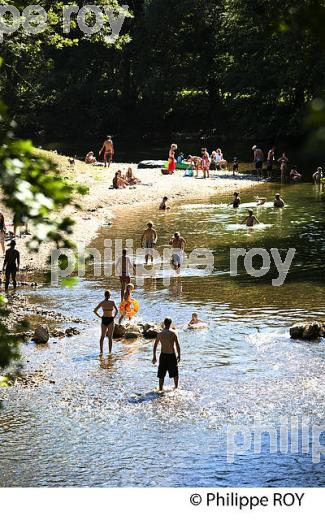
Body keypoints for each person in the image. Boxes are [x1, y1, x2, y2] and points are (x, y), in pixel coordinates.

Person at [152, 317, 181, 391]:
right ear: (170, 324)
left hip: (163, 355)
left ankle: (160, 389)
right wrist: (179, 355)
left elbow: (155, 346)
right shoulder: (173, 333)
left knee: (161, 374)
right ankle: (176, 388)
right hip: (171, 355)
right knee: (175, 373)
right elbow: (177, 345)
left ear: (164, 324)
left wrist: (154, 356)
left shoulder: (160, 334)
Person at [93, 290, 118, 355]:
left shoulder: (102, 302)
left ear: (104, 295)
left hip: (104, 319)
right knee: (110, 337)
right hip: (110, 319)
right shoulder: (112, 302)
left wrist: (100, 317)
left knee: (102, 336)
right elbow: (117, 310)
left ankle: (101, 351)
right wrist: (114, 316)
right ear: (109, 295)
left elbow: (95, 311)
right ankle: (110, 352)